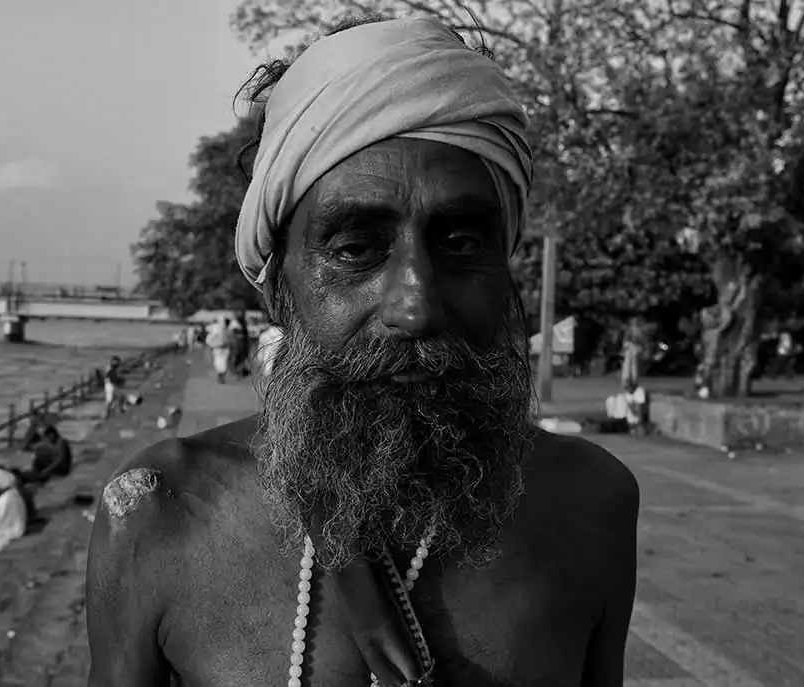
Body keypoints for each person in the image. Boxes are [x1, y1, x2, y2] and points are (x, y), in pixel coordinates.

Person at [87, 15, 638, 687]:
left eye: (462, 243)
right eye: (354, 248)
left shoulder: (592, 504)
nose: (416, 305)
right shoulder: (160, 514)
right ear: (276, 285)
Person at [204, 315, 233, 384]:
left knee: (218, 362)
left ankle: (220, 376)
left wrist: (211, 344)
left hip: (218, 348)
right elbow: (231, 339)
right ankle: (221, 377)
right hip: (225, 348)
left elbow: (209, 338)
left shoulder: (215, 328)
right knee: (224, 362)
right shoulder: (227, 330)